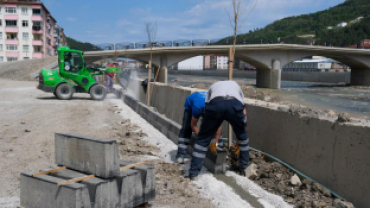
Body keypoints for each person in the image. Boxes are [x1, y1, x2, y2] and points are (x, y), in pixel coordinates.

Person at [188, 81, 248, 179]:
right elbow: (243, 111)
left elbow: (209, 109)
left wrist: (211, 138)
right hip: (234, 104)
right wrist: (241, 135)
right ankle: (244, 167)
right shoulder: (236, 86)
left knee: (202, 141)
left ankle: (193, 173)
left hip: (216, 103)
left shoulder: (213, 87)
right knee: (243, 138)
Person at [176, 92, 222, 164]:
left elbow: (218, 127)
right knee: (186, 129)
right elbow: (193, 125)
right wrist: (201, 137)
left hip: (204, 104)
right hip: (191, 103)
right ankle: (181, 155)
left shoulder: (218, 108)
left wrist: (215, 143)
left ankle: (220, 151)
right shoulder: (197, 107)